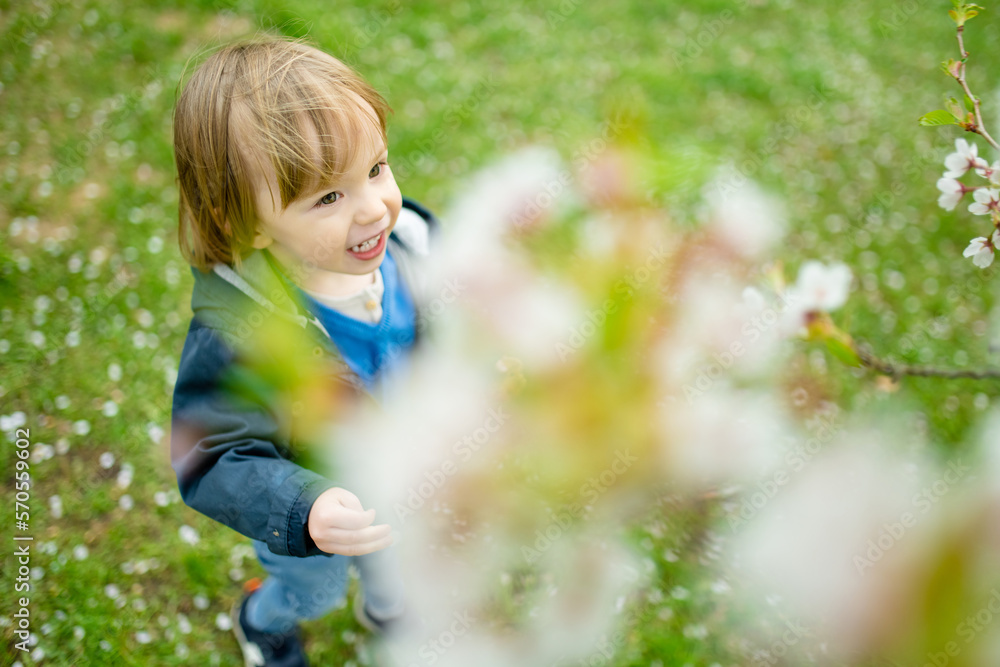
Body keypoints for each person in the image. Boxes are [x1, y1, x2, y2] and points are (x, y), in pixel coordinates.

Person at [169, 37, 437, 667]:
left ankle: (391, 610)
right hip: (313, 519)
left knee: (405, 561)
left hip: (404, 479)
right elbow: (209, 454)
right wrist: (303, 507)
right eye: (327, 198)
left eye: (375, 170)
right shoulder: (240, 334)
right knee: (313, 595)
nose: (375, 209)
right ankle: (264, 619)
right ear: (247, 223)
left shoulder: (416, 251)